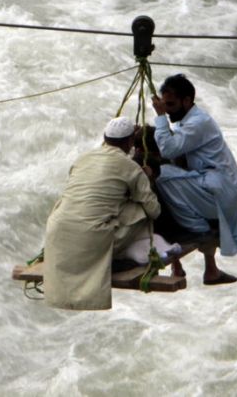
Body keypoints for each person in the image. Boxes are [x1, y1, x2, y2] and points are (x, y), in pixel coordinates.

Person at [43, 116, 161, 310]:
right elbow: (154, 210)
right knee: (140, 209)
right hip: (91, 239)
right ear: (130, 142)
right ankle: (118, 255)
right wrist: (148, 180)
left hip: (57, 232)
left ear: (105, 138)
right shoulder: (131, 167)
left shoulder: (82, 159)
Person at [152, 74, 237, 285]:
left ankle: (196, 229)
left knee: (161, 177)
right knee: (174, 175)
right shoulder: (191, 120)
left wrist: (159, 117)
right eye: (164, 105)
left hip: (221, 191)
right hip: (221, 187)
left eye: (171, 105)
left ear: (187, 101)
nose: (167, 110)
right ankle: (210, 270)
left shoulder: (197, 123)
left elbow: (169, 148)